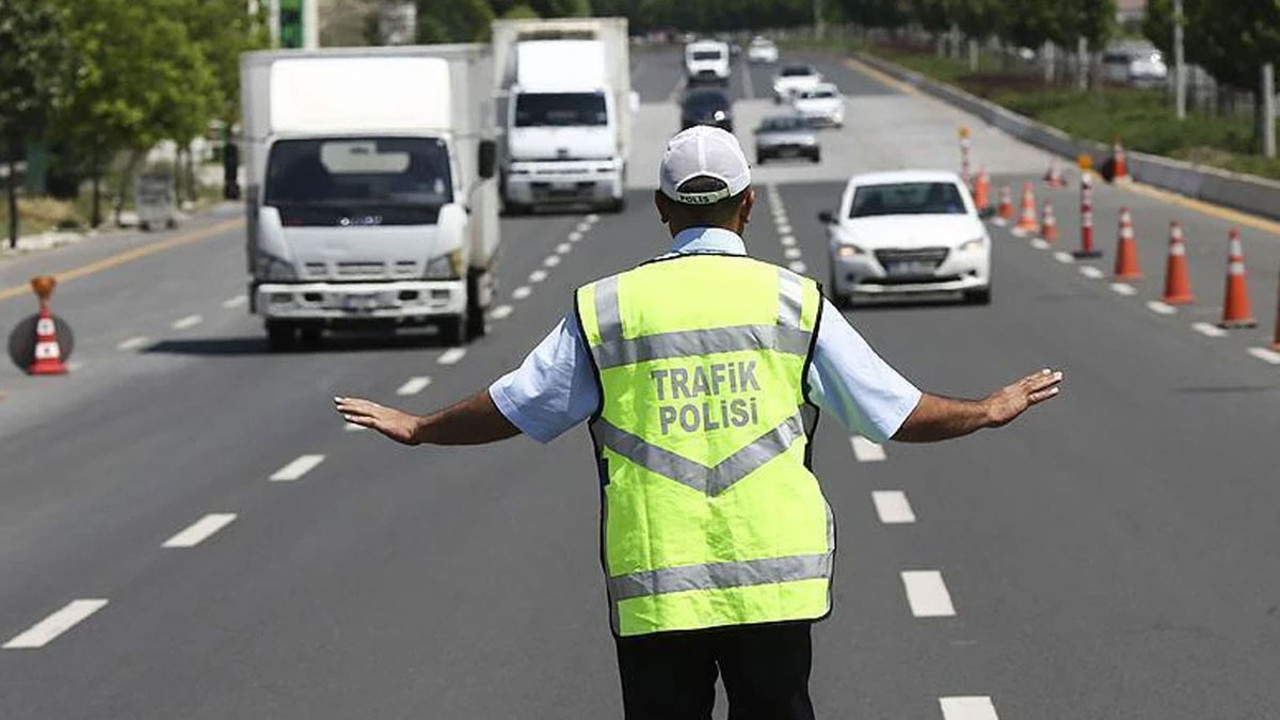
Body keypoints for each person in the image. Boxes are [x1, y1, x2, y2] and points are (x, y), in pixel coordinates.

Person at [334, 126, 1063, 720]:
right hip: (774, 585)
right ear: (748, 204)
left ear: (661, 206)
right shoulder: (792, 302)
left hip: (657, 586)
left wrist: (422, 425)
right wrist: (985, 412)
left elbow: (518, 405)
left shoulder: (609, 308)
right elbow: (893, 411)